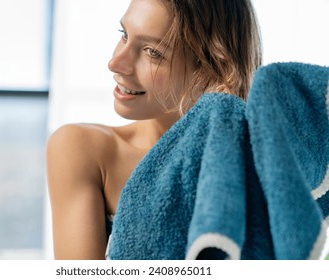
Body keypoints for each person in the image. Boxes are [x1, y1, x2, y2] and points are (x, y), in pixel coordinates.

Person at [47, 0, 262, 260]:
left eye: (152, 52)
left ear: (213, 67)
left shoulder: (255, 164)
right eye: (124, 35)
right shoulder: (81, 148)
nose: (116, 63)